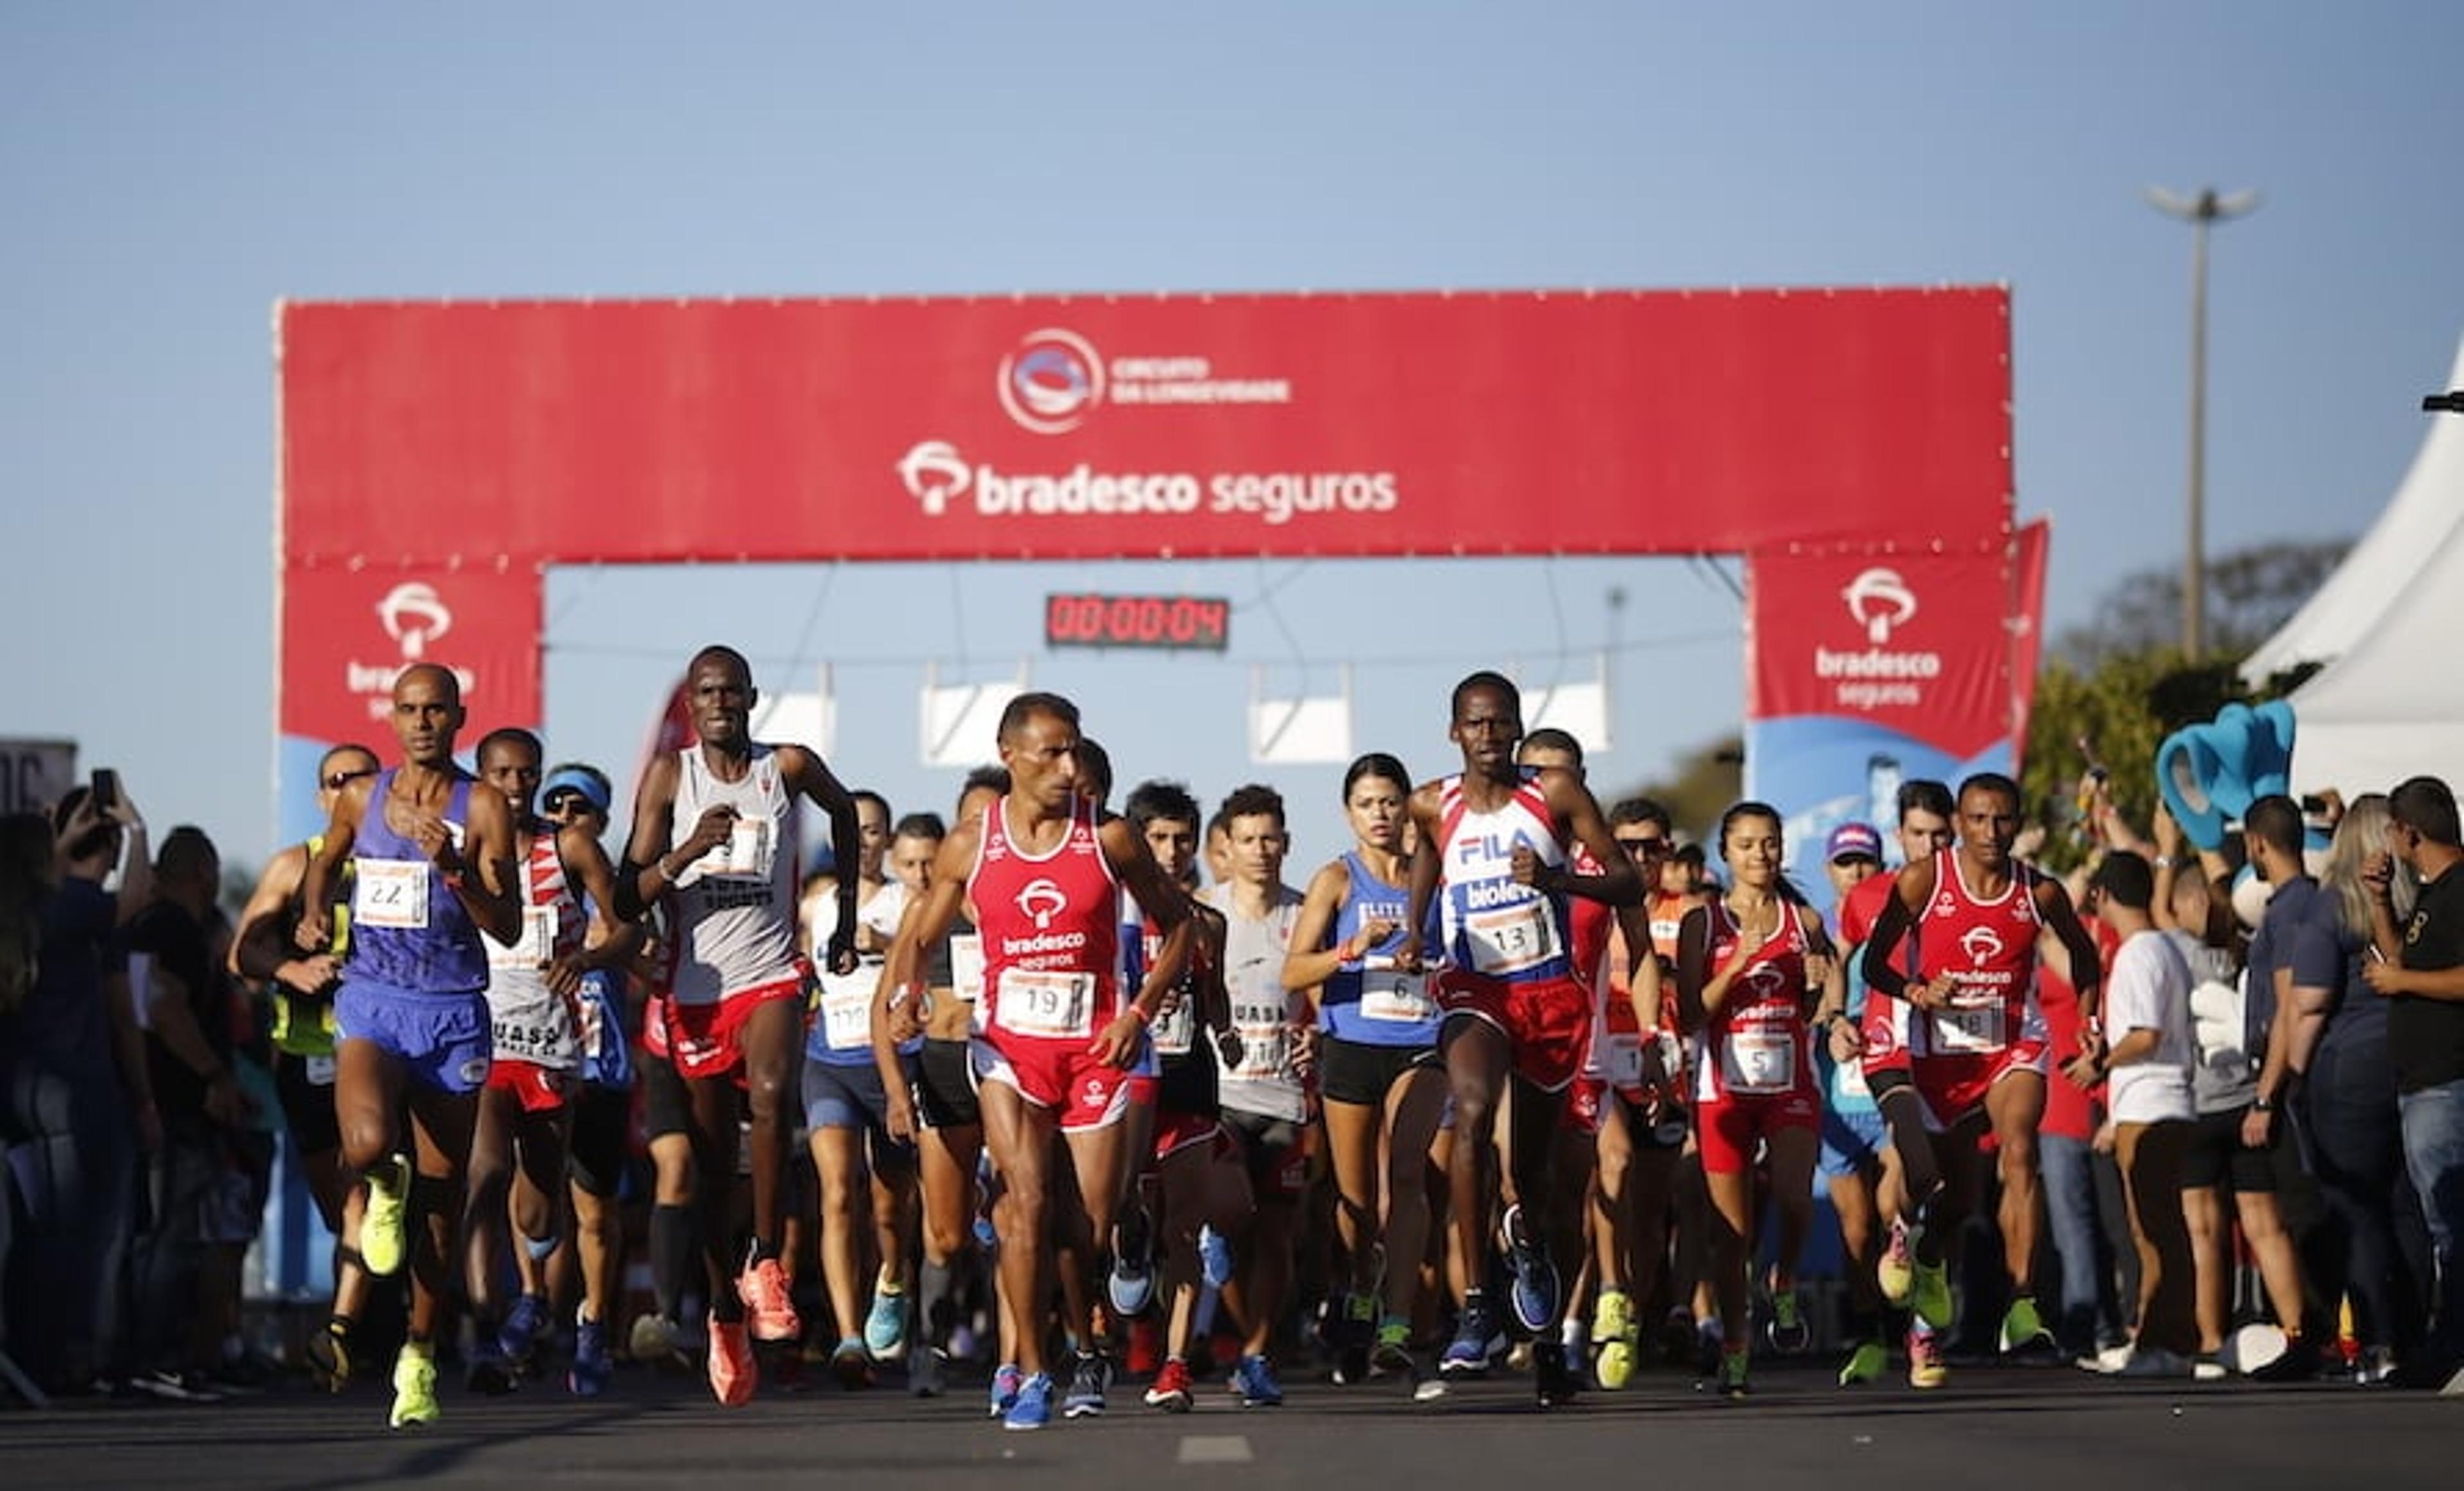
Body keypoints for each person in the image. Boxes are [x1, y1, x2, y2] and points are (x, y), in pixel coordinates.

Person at [883, 692, 1194, 1431]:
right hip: (1009, 1050)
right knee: (1024, 1206)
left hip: (1095, 1050)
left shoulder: (1108, 837)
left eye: (1075, 749)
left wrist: (1138, 1013)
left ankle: (1088, 1336)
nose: (1068, 764)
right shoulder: (971, 841)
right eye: (1053, 751)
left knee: (1082, 1222)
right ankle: (1029, 1368)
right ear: (1011, 752)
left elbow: (1179, 925)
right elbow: (919, 935)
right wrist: (903, 994)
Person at [613, 644, 864, 1408]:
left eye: (732, 690)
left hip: (771, 975)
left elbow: (848, 812)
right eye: (707, 692)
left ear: (752, 697)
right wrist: (689, 850)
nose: (720, 702)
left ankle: (764, 1260)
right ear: (691, 703)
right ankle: (724, 1306)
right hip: (695, 990)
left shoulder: (783, 768)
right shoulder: (670, 777)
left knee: (772, 1086)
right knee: (714, 1171)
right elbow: (628, 894)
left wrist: (845, 917)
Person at [1398, 672, 1640, 1407]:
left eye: (1502, 723)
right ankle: (1477, 1302)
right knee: (1470, 1113)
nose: (1490, 736)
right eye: (1476, 724)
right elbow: (1428, 861)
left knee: (1539, 1184)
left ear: (1518, 727)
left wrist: (1561, 878)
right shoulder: (1430, 801)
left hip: (1550, 996)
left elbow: (1628, 880)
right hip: (1478, 988)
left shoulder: (1556, 793)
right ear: (1454, 731)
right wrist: (1415, 929)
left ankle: (1545, 1333)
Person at [297, 663, 525, 1429]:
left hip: (452, 1010)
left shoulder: (484, 805)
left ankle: (419, 1353)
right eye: (409, 709)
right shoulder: (365, 796)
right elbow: (324, 862)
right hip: (373, 1000)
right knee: (363, 1144)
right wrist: (309, 915)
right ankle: (381, 1185)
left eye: (437, 709)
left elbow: (510, 926)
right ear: (391, 717)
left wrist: (457, 870)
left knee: (441, 1204)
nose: (423, 721)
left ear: (459, 716)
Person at [1858, 772, 2103, 1390]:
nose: (1990, 832)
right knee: (1951, 1202)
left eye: (2002, 820)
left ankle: (2023, 1305)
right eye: (1978, 820)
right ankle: (1928, 1259)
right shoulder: (1924, 880)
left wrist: (2091, 1019)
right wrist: (1915, 990)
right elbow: (1873, 962)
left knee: (2021, 1151)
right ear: (1960, 823)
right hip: (1939, 1055)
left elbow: (2084, 952)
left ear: (2018, 823)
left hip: (2010, 1046)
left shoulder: (2038, 892)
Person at [461, 730, 630, 1393]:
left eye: (526, 773)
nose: (515, 785)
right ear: (480, 777)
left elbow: (630, 927)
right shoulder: (463, 850)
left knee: (540, 1212)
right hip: (481, 1040)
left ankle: (552, 1302)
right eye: (502, 773)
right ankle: (487, 1326)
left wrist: (586, 959)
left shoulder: (570, 848)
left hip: (554, 1047)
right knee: (485, 1169)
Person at [1285, 754, 1446, 1389]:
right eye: (1366, 803)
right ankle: (1360, 1282)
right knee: (1354, 1201)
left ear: (1407, 804)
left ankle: (1398, 1324)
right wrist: (1350, 949)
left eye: (1389, 801)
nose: (1380, 814)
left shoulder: (1431, 877)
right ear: (1349, 812)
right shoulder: (1336, 879)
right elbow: (1292, 973)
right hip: (1351, 1043)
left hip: (1421, 1039)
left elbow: (1461, 951)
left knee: (1406, 1175)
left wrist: (1420, 951)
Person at [230, 743, 382, 1390]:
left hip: (379, 1055)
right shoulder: (295, 864)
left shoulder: (398, 864)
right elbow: (242, 952)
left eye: (363, 778)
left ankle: (344, 1332)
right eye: (337, 780)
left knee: (365, 1199)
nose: (350, 788)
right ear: (323, 796)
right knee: (341, 1206)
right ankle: (369, 1322)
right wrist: (292, 968)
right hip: (308, 1057)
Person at [1676, 801, 1838, 1398]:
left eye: (1769, 843)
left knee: (1796, 1201)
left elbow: (1814, 1003)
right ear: (1726, 852)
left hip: (1789, 1082)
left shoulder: (1804, 920)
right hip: (1724, 1089)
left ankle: (1788, 1279)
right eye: (1747, 845)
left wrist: (1821, 996)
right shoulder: (1705, 922)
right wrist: (1740, 961)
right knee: (1732, 1232)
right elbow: (1692, 1012)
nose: (1760, 855)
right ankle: (1737, 1347)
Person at [2288, 794, 2431, 1384]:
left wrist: (2287, 1082)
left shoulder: (2330, 909)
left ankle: (2378, 1342)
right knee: (2407, 1209)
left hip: (2347, 1069)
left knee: (2356, 1211)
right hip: (2413, 1060)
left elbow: (2309, 1004)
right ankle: (2419, 1337)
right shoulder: (2421, 905)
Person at [1116, 779, 1242, 1414]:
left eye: (1181, 838)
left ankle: (1173, 1364)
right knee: (1121, 1208)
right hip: (1120, 1082)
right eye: (1157, 838)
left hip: (1189, 1077)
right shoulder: (1108, 915)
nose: (1170, 850)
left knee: (1185, 1227)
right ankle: (1126, 1243)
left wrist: (1226, 1030)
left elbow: (1212, 990)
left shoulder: (1207, 923)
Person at [526, 761, 638, 1397]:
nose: (565, 818)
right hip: (538, 1060)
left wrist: (608, 948)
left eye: (580, 809)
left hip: (602, 1071)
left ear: (600, 819)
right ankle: (530, 1303)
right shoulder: (523, 883)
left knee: (594, 1211)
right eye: (555, 807)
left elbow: (649, 953)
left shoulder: (613, 895)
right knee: (536, 1206)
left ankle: (593, 1319)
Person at [1201, 783, 1313, 1410]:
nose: (1261, 850)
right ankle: (1246, 1338)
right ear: (1227, 846)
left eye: (1270, 837)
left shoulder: (1304, 914)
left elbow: (1329, 992)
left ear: (1286, 842)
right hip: (1222, 1096)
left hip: (1285, 1098)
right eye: (1247, 839)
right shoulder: (1204, 910)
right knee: (1230, 1217)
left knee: (1275, 1235)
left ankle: (1255, 1349)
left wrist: (1314, 1038)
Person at [803, 792, 920, 1388]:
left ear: (888, 841)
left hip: (893, 1070)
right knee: (837, 1197)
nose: (864, 841)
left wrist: (893, 951)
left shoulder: (911, 904)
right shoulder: (814, 907)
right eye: (854, 831)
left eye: (874, 831)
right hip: (829, 1062)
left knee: (887, 1207)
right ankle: (849, 1337)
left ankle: (893, 1277)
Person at [2075, 851, 2197, 1377]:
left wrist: (2099, 1063)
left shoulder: (2139, 953)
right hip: (2156, 1103)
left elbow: (2147, 1034)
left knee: (2154, 1232)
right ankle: (2163, 1338)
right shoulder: (2162, 949)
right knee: (2160, 1230)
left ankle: (2163, 1343)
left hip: (2151, 1104)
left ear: (2102, 895)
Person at [2363, 775, 2464, 1393]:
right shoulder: (2431, 891)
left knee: (2452, 1224)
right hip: (2422, 1082)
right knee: (2438, 1221)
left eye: (2392, 831)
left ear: (2409, 832)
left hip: (2448, 1081)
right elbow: (2400, 957)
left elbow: (2431, 978)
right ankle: (2442, 1343)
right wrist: (2379, 900)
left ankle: (2451, 1348)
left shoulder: (2460, 890)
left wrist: (2405, 987)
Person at [2216, 794, 2321, 1379]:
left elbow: (2287, 1009)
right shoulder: (2299, 905)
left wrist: (2265, 1094)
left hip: (2285, 1085)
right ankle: (2315, 1334)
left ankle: (2316, 1337)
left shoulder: (2288, 912)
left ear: (2257, 844)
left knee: (2302, 1215)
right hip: (2287, 1079)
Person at [1815, 821, 1897, 1386]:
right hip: (1838, 1096)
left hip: (1890, 1082)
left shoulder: (1895, 923)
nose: (1857, 873)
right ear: (1830, 871)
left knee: (1896, 1207)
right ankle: (1867, 1325)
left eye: (1865, 862)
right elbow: (1808, 1008)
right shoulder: (1818, 935)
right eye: (1846, 863)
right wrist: (1832, 1022)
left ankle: (1905, 1314)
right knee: (1857, 1225)